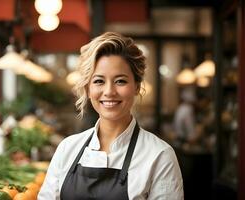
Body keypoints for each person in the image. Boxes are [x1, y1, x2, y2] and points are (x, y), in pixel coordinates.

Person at [38, 32, 184, 200]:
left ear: (136, 87)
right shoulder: (67, 149)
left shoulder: (159, 155)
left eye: (120, 81)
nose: (109, 92)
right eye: (99, 81)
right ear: (88, 89)